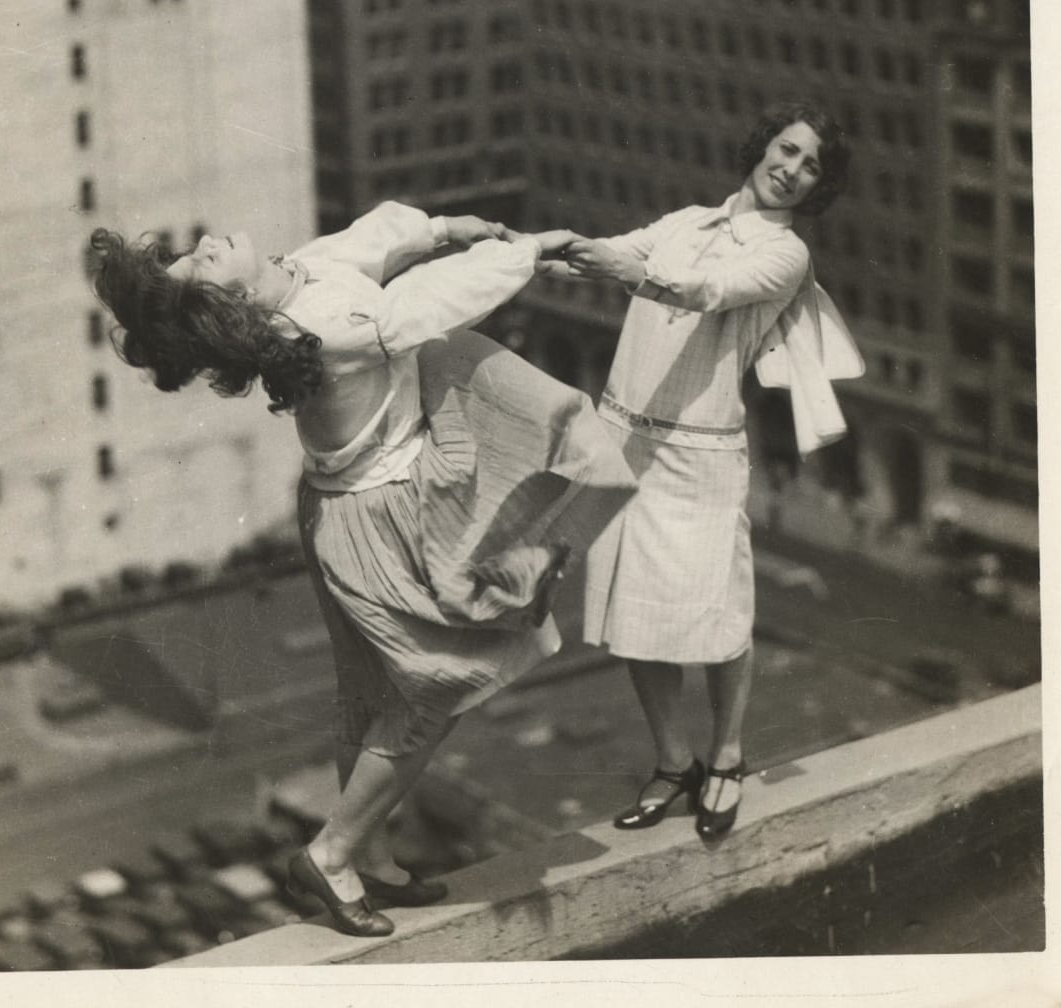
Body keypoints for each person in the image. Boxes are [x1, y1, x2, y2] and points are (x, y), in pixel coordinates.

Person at [89, 203, 635, 936]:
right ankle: (334, 852)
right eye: (204, 264)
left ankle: (368, 857)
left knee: (376, 694)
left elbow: (363, 247)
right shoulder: (322, 329)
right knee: (439, 686)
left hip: (346, 510)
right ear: (235, 302)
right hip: (378, 518)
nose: (209, 242)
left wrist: (442, 230)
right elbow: (427, 303)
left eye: (195, 251)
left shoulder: (298, 279)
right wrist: (528, 250)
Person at [560, 102, 860, 844]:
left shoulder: (787, 255)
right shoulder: (687, 220)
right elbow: (610, 248)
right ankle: (673, 763)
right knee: (634, 620)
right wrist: (523, 247)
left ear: (818, 186)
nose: (790, 169)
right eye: (786, 150)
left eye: (810, 165)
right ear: (761, 147)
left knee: (720, 619)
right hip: (623, 437)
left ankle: (726, 756)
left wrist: (626, 267)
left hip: (699, 456)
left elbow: (707, 291)